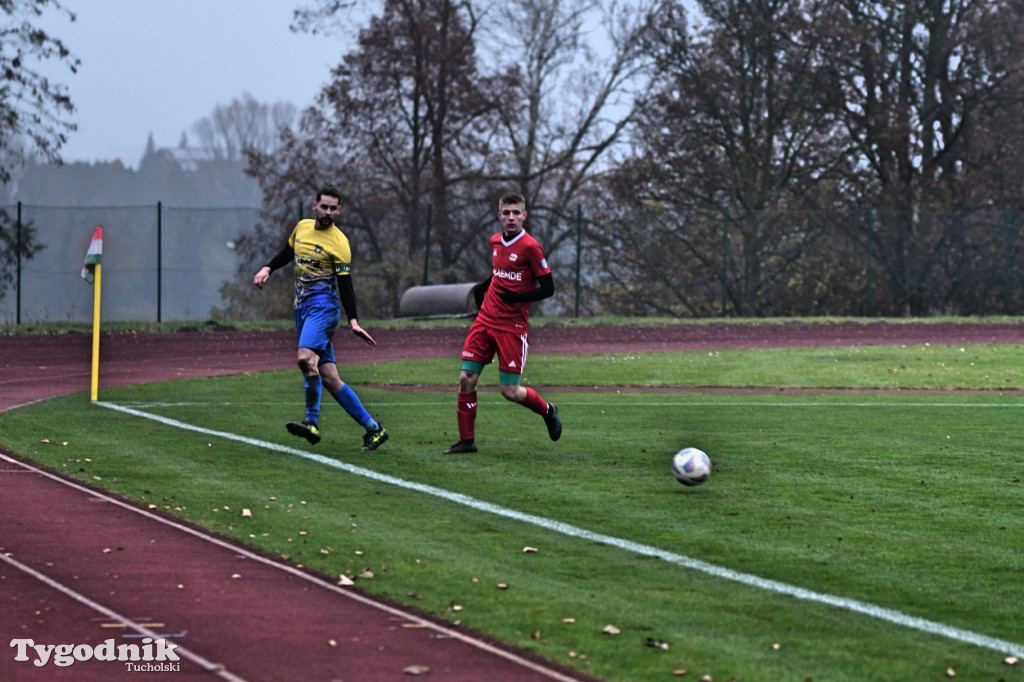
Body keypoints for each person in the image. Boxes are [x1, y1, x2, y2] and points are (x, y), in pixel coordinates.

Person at [253, 184, 388, 451]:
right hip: (302, 308)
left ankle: (312, 423)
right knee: (329, 377)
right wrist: (268, 267)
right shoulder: (302, 227)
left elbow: (346, 285)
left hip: (324, 308)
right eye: (323, 206)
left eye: (332, 208)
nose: (327, 212)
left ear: (339, 210)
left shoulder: (340, 243)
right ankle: (375, 429)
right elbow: (288, 252)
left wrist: (354, 321)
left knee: (305, 358)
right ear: (315, 206)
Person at [444, 191, 562, 454]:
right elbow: (499, 271)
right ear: (499, 216)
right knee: (466, 378)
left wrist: (519, 297)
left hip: (511, 328)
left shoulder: (532, 247)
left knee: (509, 391)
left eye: (516, 213)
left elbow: (549, 288)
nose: (511, 218)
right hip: (485, 320)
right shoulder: (495, 241)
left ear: (524, 216)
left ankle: (547, 409)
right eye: (506, 213)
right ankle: (467, 441)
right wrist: (483, 287)